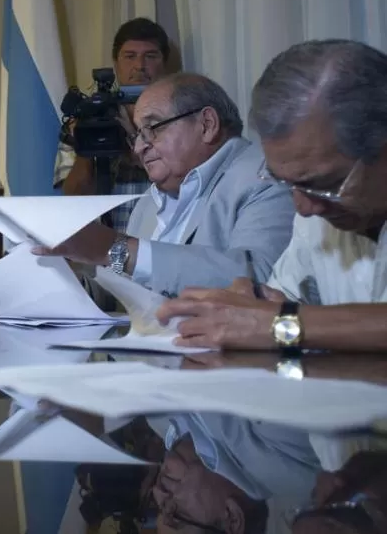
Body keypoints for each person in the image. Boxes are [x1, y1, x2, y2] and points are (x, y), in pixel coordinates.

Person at [157, 40, 387, 351]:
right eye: (288, 184)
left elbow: (280, 322)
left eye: (326, 183)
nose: (302, 207)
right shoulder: (315, 212)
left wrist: (283, 324)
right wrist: (251, 304)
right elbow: (282, 302)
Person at [36, 73, 294, 299]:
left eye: (152, 128)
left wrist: (117, 248)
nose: (139, 147)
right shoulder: (149, 202)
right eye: (138, 134)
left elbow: (260, 281)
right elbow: (124, 280)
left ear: (207, 124)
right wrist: (68, 282)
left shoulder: (265, 176)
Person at [57, 18, 172, 233]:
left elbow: (188, 185)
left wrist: (135, 144)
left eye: (150, 56)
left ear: (164, 62)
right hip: (104, 242)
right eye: (130, 56)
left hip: (162, 238)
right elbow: (74, 198)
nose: (139, 66)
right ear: (116, 63)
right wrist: (87, 143)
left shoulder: (181, 116)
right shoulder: (88, 115)